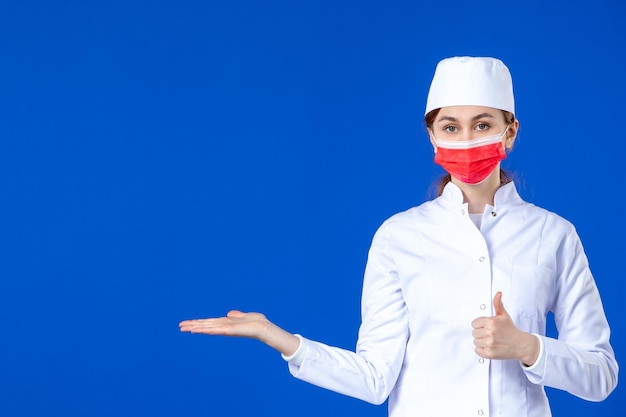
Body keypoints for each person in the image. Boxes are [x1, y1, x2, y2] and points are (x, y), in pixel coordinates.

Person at [179, 56, 618, 416]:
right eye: (451, 127)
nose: (466, 141)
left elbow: (601, 377)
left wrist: (527, 347)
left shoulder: (554, 235)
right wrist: (281, 339)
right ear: (432, 137)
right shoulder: (400, 236)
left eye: (482, 125)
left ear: (510, 131)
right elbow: (375, 379)